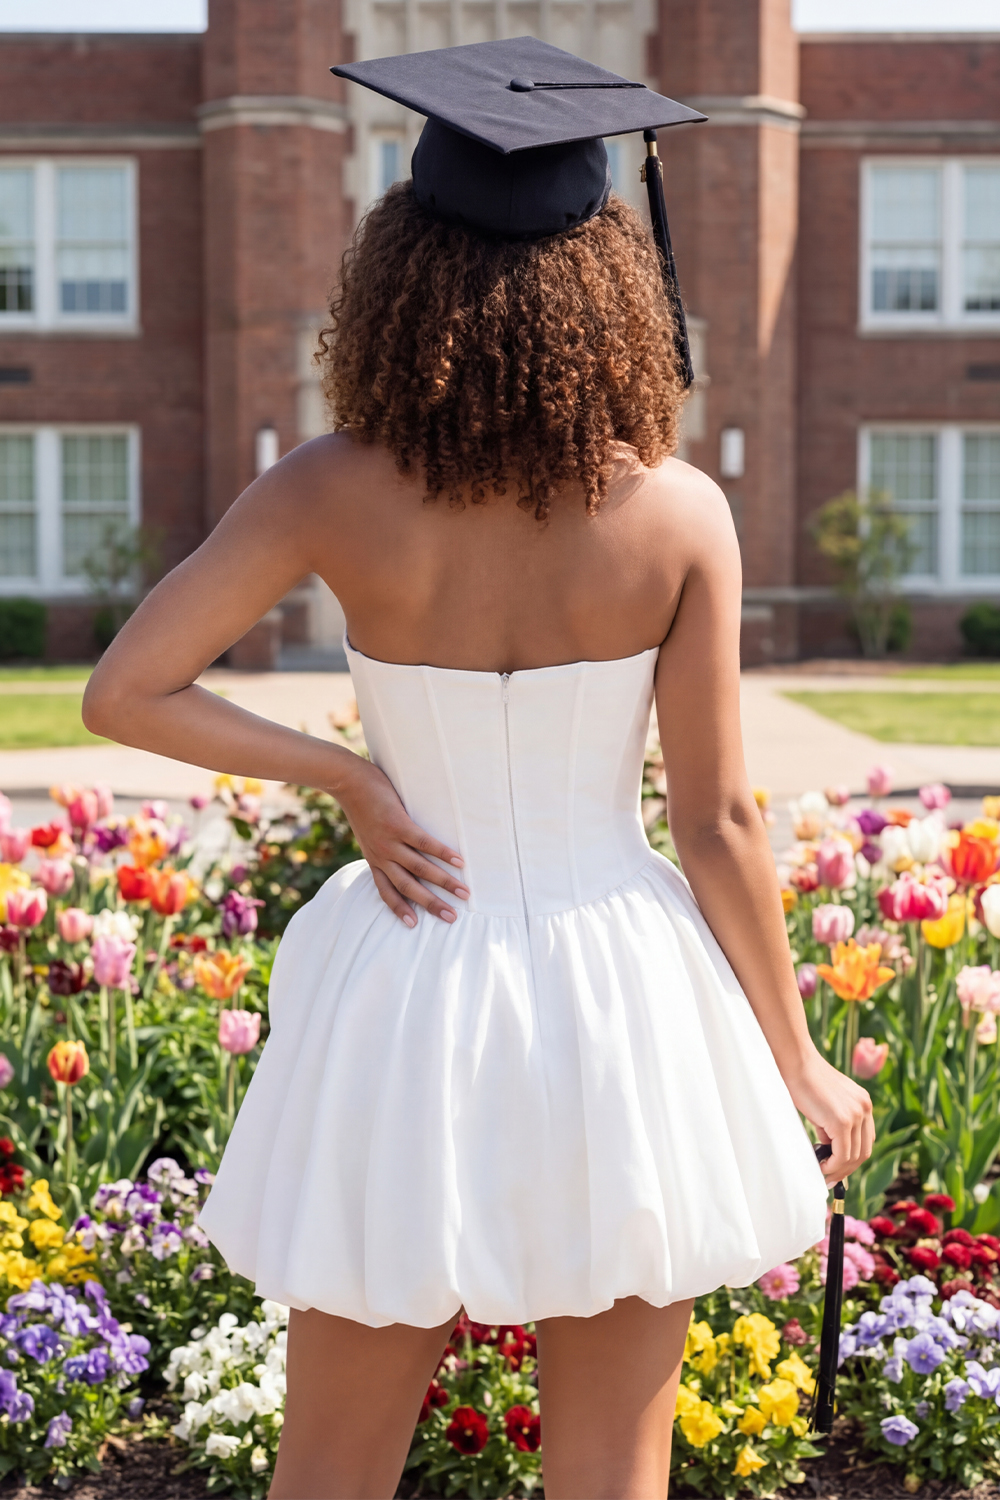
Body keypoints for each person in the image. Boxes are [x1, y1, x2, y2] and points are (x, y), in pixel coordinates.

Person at [83, 37, 874, 1500]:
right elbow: (714, 823)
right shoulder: (684, 517)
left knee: (326, 1466)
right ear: (615, 285)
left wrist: (353, 788)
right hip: (621, 994)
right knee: (612, 1472)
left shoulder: (325, 486)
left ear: (401, 270)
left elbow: (126, 692)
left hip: (411, 982)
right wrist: (796, 1053)